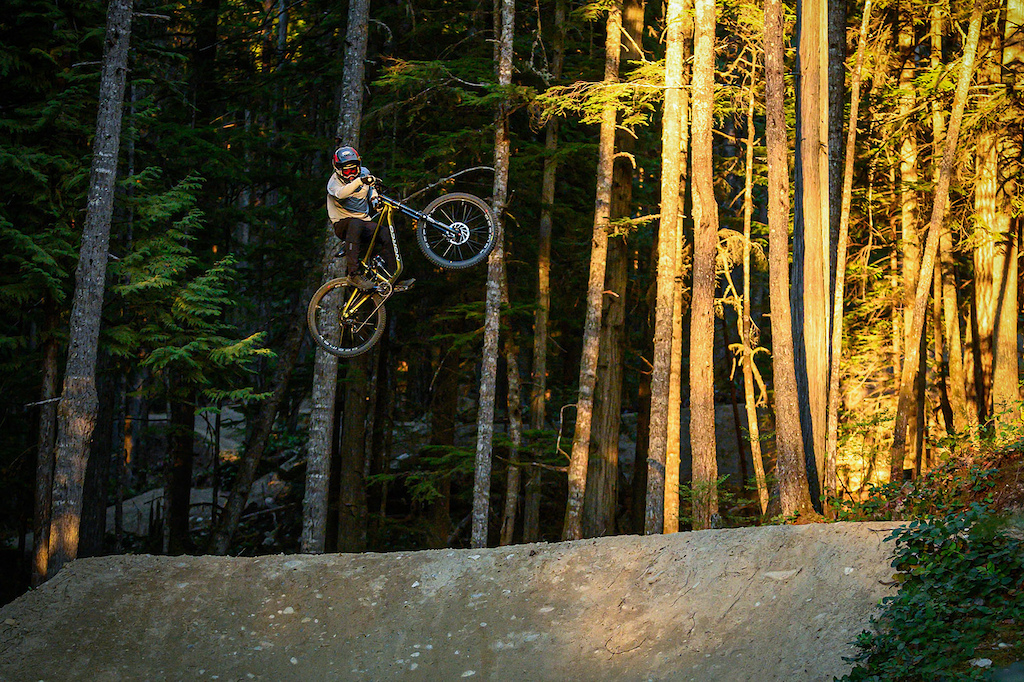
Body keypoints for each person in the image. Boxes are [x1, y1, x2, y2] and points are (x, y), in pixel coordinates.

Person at [327, 145, 413, 292]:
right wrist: (360, 181)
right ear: (338, 170)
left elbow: (371, 189)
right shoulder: (334, 183)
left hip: (363, 221)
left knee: (385, 233)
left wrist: (375, 199)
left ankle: (392, 278)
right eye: (347, 171)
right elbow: (341, 194)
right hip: (343, 224)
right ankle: (353, 274)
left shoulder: (365, 173)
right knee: (355, 223)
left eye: (353, 170)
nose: (351, 175)